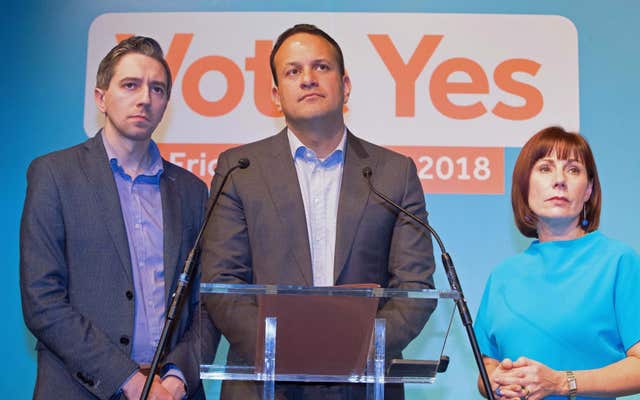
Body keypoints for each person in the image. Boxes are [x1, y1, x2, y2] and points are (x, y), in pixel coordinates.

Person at [200, 24, 436, 399]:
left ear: (345, 86)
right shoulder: (239, 169)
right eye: (293, 71)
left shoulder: (394, 172)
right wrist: (286, 353)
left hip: (364, 384)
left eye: (321, 68)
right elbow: (224, 284)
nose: (308, 79)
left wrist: (353, 352)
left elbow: (414, 287)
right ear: (277, 95)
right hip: (264, 385)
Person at [20, 36, 217, 399]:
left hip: (172, 392)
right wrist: (128, 379)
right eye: (130, 85)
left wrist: (176, 379)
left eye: (157, 89)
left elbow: (206, 304)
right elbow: (42, 300)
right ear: (101, 98)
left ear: (166, 104)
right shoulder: (54, 174)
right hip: (78, 388)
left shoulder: (192, 190)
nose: (144, 98)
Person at [474, 126, 640, 400]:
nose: (560, 180)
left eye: (573, 170)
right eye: (545, 168)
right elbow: (486, 368)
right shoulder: (502, 276)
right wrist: (498, 381)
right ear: (525, 186)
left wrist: (563, 382)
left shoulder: (619, 263)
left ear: (588, 190)